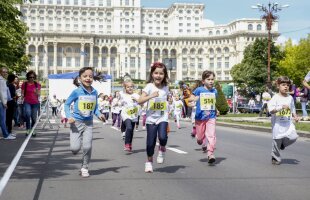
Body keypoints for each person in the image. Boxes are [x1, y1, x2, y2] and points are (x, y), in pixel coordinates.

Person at [64, 67, 105, 178]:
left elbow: (95, 108)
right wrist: (69, 117)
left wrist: (99, 114)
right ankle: (75, 149)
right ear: (80, 78)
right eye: (85, 76)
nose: (88, 78)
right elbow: (66, 104)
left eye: (90, 76)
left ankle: (84, 167)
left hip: (88, 124)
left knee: (87, 147)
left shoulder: (95, 92)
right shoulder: (76, 91)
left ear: (93, 78)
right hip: (76, 123)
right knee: (74, 149)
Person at [137, 62, 170, 173]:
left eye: (161, 73)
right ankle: (149, 162)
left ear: (164, 75)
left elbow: (166, 99)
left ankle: (162, 149)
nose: (158, 76)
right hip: (151, 118)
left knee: (163, 137)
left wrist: (168, 101)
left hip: (162, 117)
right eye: (156, 73)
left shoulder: (166, 87)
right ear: (152, 74)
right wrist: (151, 96)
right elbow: (140, 101)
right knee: (150, 143)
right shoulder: (149, 87)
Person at [189, 70, 219, 164]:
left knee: (211, 135)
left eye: (212, 79)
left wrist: (216, 109)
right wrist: (194, 99)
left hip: (211, 116)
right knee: (200, 138)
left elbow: (213, 102)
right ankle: (200, 139)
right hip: (199, 117)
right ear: (203, 81)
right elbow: (190, 100)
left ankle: (210, 154)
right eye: (208, 79)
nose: (211, 81)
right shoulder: (199, 90)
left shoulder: (215, 91)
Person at [267, 76, 299, 165]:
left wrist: (295, 116)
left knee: (294, 137)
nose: (286, 87)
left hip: (288, 123)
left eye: (288, 85)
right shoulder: (275, 98)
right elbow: (271, 110)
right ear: (278, 86)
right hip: (277, 124)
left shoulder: (290, 98)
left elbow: (292, 108)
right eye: (283, 85)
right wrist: (281, 107)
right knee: (276, 143)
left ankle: (283, 145)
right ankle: (275, 157)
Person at [119, 79, 140, 152]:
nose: (130, 88)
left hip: (134, 115)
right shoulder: (123, 95)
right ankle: (127, 144)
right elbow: (119, 103)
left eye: (131, 87)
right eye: (128, 87)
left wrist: (137, 100)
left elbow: (141, 103)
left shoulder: (136, 95)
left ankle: (130, 144)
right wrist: (120, 102)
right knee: (129, 128)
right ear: (125, 88)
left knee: (131, 130)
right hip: (126, 115)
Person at [21, 70, 41, 137]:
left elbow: (39, 94)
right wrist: (21, 97)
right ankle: (28, 129)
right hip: (27, 102)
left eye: (33, 77)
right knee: (28, 115)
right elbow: (22, 93)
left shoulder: (37, 84)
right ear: (28, 77)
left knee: (34, 117)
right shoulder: (25, 84)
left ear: (34, 77)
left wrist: (36, 92)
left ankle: (33, 129)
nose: (32, 78)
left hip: (35, 103)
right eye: (30, 77)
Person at [0, 67, 15, 140]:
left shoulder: (3, 80)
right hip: (1, 102)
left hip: (2, 102)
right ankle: (6, 135)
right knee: (3, 120)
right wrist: (4, 103)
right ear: (0, 72)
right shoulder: (1, 80)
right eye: (3, 72)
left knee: (2, 119)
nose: (5, 73)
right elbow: (1, 93)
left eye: (6, 72)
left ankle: (6, 134)